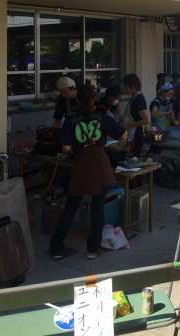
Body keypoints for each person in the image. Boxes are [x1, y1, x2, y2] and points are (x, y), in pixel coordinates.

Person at [49, 84, 128, 260]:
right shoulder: (101, 115)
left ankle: (56, 248)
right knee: (97, 208)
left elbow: (66, 147)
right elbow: (123, 134)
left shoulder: (71, 118)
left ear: (77, 98)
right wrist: (116, 146)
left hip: (81, 164)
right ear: (94, 98)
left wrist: (75, 150)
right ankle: (93, 249)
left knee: (71, 206)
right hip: (99, 164)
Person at [121, 74, 149, 157]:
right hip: (131, 133)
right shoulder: (133, 98)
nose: (124, 89)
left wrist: (129, 124)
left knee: (135, 158)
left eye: (125, 87)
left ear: (132, 86)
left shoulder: (139, 99)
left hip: (137, 134)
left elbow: (145, 120)